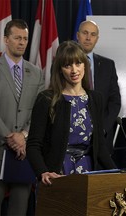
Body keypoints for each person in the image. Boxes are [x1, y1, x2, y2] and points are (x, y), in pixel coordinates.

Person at [0, 19, 45, 215]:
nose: (22, 42)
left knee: (19, 208)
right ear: (6, 39)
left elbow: (38, 111)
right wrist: (9, 137)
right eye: (17, 38)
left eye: (25, 38)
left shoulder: (37, 73)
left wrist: (23, 136)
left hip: (23, 150)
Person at [26, 40, 116, 186]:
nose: (74, 70)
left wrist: (116, 174)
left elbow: (100, 146)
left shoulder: (95, 98)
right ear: (60, 69)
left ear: (85, 65)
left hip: (87, 172)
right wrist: (43, 172)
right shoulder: (46, 99)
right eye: (68, 65)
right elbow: (33, 144)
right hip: (56, 174)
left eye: (78, 63)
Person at [76, 20, 121, 155]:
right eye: (85, 33)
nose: (88, 38)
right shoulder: (65, 62)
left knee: (101, 175)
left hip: (102, 137)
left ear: (97, 38)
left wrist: (103, 129)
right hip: (73, 135)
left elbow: (115, 101)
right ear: (78, 35)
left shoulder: (108, 65)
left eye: (93, 34)